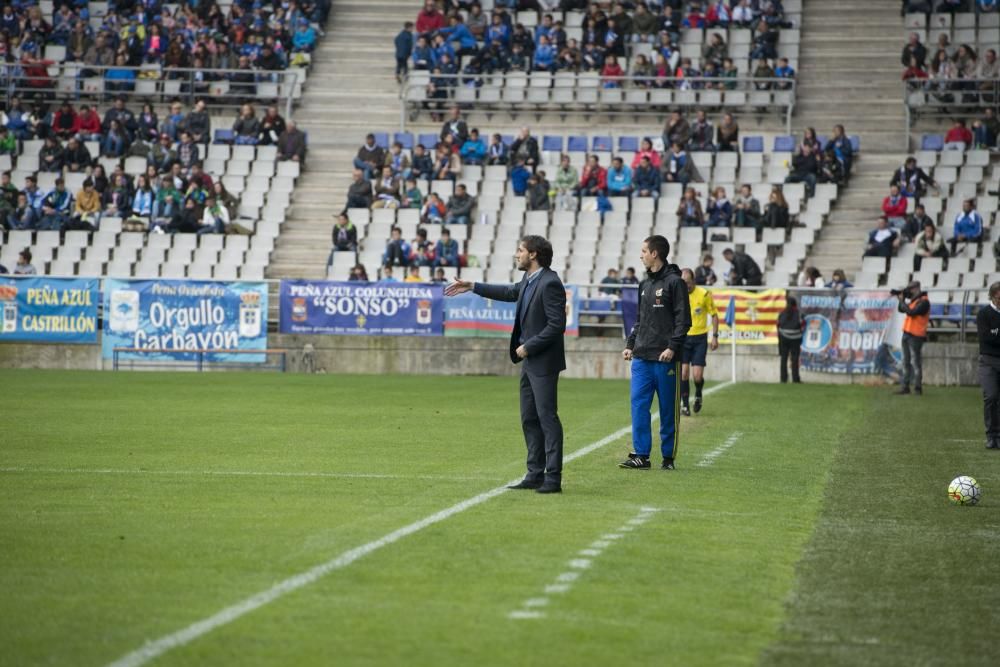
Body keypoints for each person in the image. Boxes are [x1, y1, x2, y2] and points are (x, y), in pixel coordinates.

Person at [444, 236, 567, 494]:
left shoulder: (550, 282)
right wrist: (473, 286)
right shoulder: (529, 280)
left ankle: (553, 478)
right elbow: (510, 292)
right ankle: (534, 474)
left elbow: (556, 325)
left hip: (542, 362)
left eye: (520, 250)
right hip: (529, 362)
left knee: (547, 418)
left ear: (533, 255)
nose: (516, 255)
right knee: (529, 418)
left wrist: (529, 346)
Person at [620, 235, 691, 470]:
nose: (640, 255)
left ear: (655, 254)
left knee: (668, 409)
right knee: (638, 406)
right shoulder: (645, 284)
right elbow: (640, 320)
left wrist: (672, 347)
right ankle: (641, 455)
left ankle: (668, 457)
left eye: (643, 251)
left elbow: (684, 321)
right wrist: (631, 344)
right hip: (641, 357)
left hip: (665, 359)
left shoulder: (675, 283)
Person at [680, 268, 719, 417]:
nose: (686, 286)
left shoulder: (704, 294)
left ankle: (698, 394)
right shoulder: (678, 295)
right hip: (683, 338)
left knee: (697, 376)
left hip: (699, 339)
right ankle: (684, 405)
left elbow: (714, 315)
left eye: (688, 283)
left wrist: (715, 336)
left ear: (694, 281)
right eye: (683, 283)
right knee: (683, 373)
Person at [895, 280, 930, 396]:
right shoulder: (914, 301)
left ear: (916, 288)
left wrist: (902, 301)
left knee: (915, 362)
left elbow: (911, 312)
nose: (909, 291)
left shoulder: (924, 302)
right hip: (907, 333)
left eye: (910, 289)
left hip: (916, 335)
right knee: (905, 361)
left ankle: (917, 388)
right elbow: (901, 309)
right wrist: (902, 300)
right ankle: (905, 387)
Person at [976, 282, 1000, 449]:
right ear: (992, 296)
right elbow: (985, 339)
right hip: (989, 361)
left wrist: (995, 334)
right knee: (991, 397)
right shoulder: (984, 314)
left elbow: (992, 337)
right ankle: (991, 435)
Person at [776, 296, 804, 383]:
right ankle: (795, 379)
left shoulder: (781, 313)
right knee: (795, 358)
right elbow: (802, 324)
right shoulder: (798, 313)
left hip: (783, 337)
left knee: (783, 358)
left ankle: (783, 378)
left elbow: (778, 325)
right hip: (795, 338)